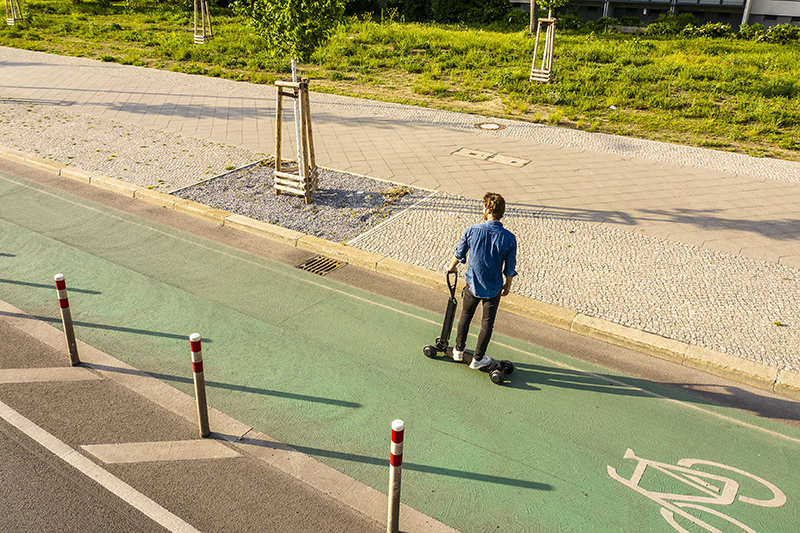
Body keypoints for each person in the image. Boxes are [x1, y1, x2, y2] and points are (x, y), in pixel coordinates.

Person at [447, 192, 517, 369]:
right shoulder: (509, 238)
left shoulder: (472, 230)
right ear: (502, 212)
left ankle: (458, 350)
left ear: (487, 210)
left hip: (473, 284)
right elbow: (509, 267)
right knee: (487, 324)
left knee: (465, 316)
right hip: (493, 288)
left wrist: (452, 267)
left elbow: (460, 252)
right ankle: (478, 359)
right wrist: (507, 284)